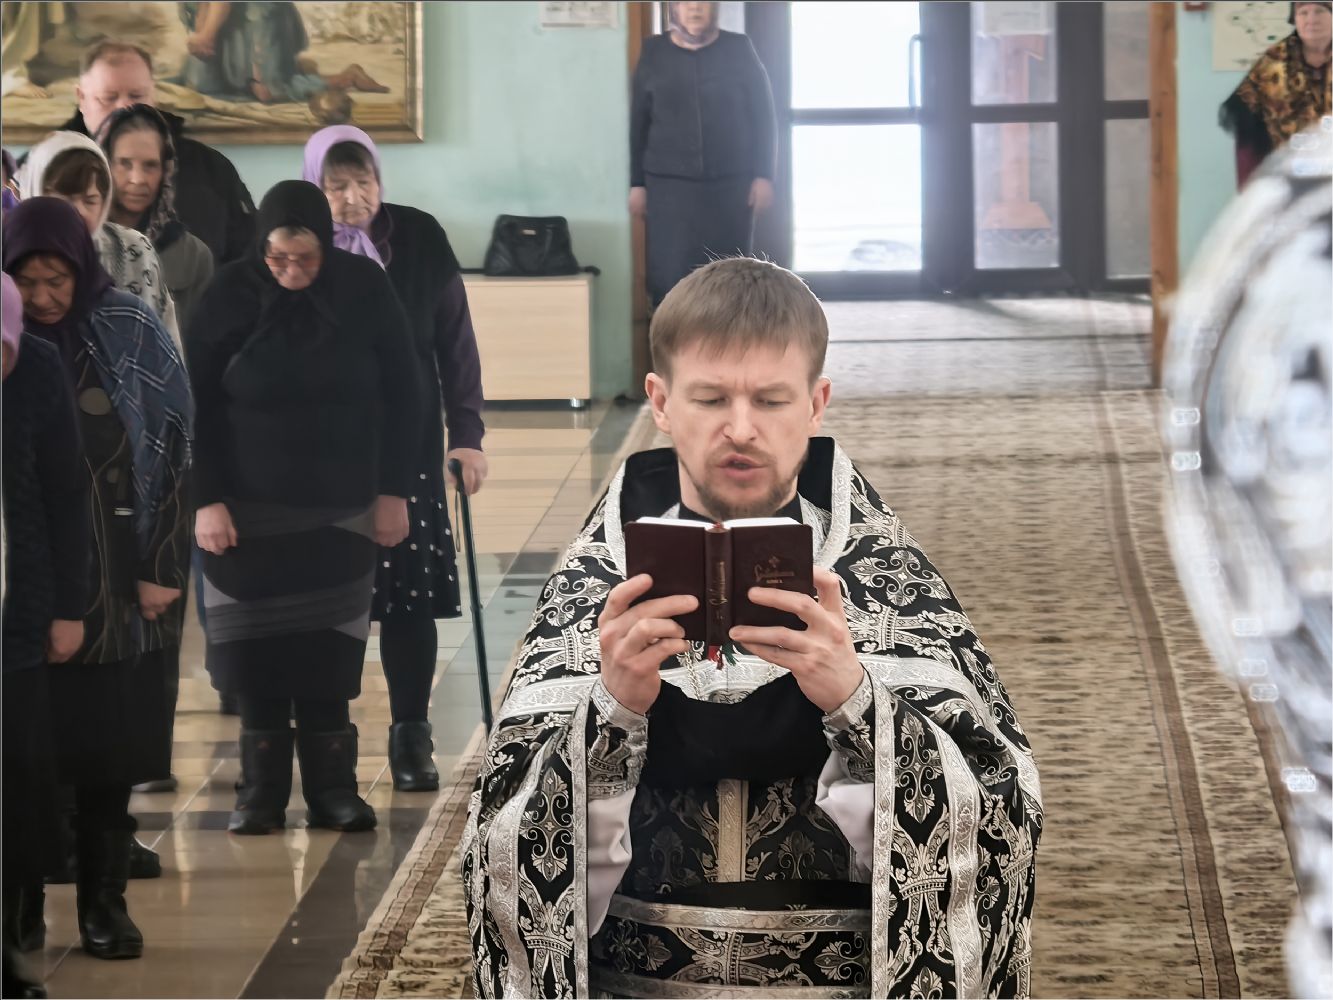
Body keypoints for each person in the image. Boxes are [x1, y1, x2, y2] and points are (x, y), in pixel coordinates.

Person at [464, 257, 1042, 998]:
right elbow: (501, 844)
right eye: (710, 398)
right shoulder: (593, 592)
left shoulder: (888, 587)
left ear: (816, 403)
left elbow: (997, 821)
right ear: (661, 402)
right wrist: (609, 716)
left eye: (771, 399)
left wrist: (859, 704)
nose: (741, 428)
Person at [186, 180, 422, 835]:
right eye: (278, 258)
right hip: (245, 513)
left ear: (326, 244)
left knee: (328, 655)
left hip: (340, 510)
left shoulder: (364, 288)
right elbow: (193, 404)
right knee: (253, 658)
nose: (291, 271)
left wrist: (394, 492)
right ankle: (259, 794)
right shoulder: (228, 293)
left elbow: (405, 394)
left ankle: (332, 791)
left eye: (306, 258)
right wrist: (205, 499)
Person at [3, 198, 191, 962]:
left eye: (58, 280)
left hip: (116, 571)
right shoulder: (10, 349)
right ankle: (20, 908)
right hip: (27, 578)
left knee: (107, 750)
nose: (45, 297)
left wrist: (161, 567)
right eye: (27, 281)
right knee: (25, 757)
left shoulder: (126, 325)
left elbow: (173, 447)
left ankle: (103, 903)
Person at [302, 125, 487, 792]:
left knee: (408, 599)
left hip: (408, 446)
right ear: (314, 186)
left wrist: (466, 433)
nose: (353, 198)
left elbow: (455, 338)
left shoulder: (418, 237)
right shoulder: (299, 246)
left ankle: (412, 735)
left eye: (364, 182)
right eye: (336, 185)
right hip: (324, 453)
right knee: (331, 603)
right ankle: (328, 744)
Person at [2, 271, 89, 998]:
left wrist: (68, 605)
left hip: (17, 610)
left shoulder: (36, 367)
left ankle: (9, 942)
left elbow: (66, 490)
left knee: (16, 781)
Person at [629, 1, 777, 304]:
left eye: (702, 2)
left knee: (730, 277)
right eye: (686, 2)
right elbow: (637, 124)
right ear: (674, 9)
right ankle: (670, 334)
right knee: (670, 277)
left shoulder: (739, 49)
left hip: (731, 184)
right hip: (668, 187)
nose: (694, 8)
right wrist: (636, 184)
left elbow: (764, 118)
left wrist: (764, 175)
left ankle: (730, 334)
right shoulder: (653, 53)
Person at [63, 39, 255, 262]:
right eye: (109, 98)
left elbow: (248, 258)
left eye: (137, 96)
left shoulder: (209, 168)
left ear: (153, 95)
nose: (125, 108)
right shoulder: (52, 170)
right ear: (82, 99)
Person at [16, 130, 181, 347]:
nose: (79, 212)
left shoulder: (133, 248)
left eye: (90, 200)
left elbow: (166, 343)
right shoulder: (12, 251)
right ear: (35, 192)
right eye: (64, 199)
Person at [98, 104, 215, 334]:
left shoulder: (193, 257)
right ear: (104, 165)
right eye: (125, 163)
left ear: (165, 171)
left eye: (150, 165)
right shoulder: (81, 245)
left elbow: (198, 344)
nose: (138, 179)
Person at [178, 2, 387, 120]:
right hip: (224, 23)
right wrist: (202, 34)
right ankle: (291, 70)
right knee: (202, 87)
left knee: (267, 92)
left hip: (258, 15)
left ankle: (348, 77)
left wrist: (207, 36)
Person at [1221, 1, 1332, 185]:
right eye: (1303, 12)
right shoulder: (1272, 64)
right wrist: (1251, 187)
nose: (1311, 19)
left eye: (1320, 11)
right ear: (1294, 19)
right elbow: (1247, 132)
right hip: (1289, 179)